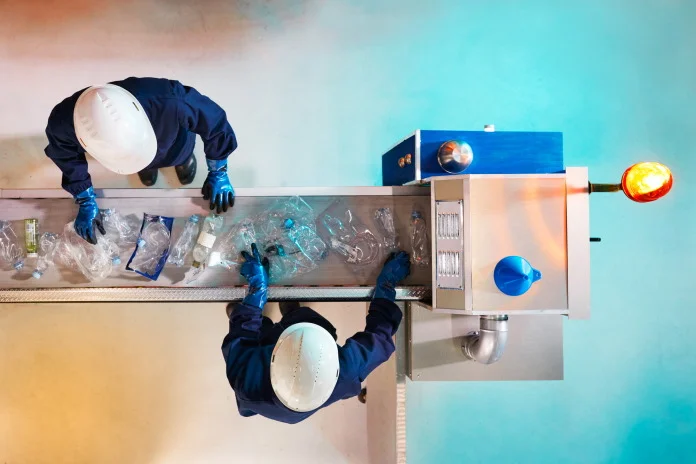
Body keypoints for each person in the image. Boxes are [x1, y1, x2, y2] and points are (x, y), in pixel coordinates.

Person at [221, 244, 411, 424]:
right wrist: (386, 285)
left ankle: (266, 317)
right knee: (298, 321)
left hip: (258, 387)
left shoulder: (245, 378)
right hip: (270, 373)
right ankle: (290, 313)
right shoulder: (346, 373)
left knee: (250, 326)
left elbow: (242, 335)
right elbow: (379, 334)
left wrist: (256, 291)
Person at [44, 77, 238, 244]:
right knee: (146, 166)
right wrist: (84, 196)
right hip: (141, 149)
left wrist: (218, 170)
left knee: (180, 154)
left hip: (174, 142)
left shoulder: (170, 101)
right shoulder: (64, 122)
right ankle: (147, 167)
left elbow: (214, 122)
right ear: (84, 140)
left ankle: (183, 160)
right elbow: (65, 155)